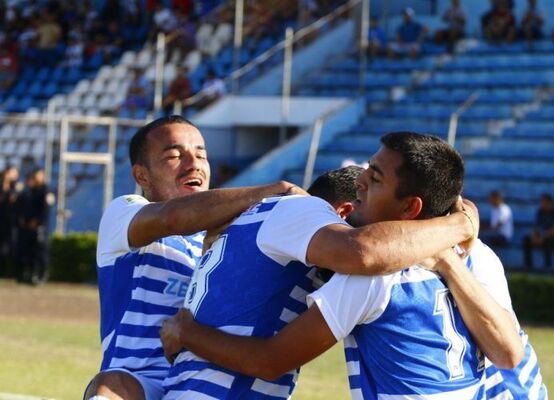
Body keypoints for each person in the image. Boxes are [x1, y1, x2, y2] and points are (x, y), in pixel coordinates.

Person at [160, 133, 522, 399]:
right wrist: (454, 242)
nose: (360, 180)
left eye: (375, 177)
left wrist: (186, 332)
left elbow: (272, 360)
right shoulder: (480, 255)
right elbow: (508, 354)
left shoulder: (372, 276)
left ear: (410, 209)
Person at [83, 115, 307, 400]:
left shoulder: (232, 240)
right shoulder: (124, 214)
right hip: (139, 383)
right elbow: (173, 217)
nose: (194, 163)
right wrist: (275, 191)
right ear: (142, 176)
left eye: (201, 154)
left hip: (205, 381)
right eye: (175, 155)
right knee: (111, 387)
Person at [14, 168, 51, 285]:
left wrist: (38, 221)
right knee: (30, 252)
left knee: (41, 252)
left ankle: (42, 275)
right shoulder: (32, 190)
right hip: (29, 227)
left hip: (40, 227)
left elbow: (45, 210)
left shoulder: (46, 191)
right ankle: (31, 275)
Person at [523, 193, 554, 270]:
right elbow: (535, 227)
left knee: (548, 242)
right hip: (542, 236)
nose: (542, 204)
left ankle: (548, 268)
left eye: (544, 203)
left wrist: (543, 237)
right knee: (526, 240)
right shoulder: (540, 212)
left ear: (550, 203)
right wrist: (533, 237)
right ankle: (528, 266)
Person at [0, 165, 20, 277]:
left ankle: (12, 272)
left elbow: (14, 200)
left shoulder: (17, 186)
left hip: (12, 222)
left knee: (12, 247)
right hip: (2, 220)